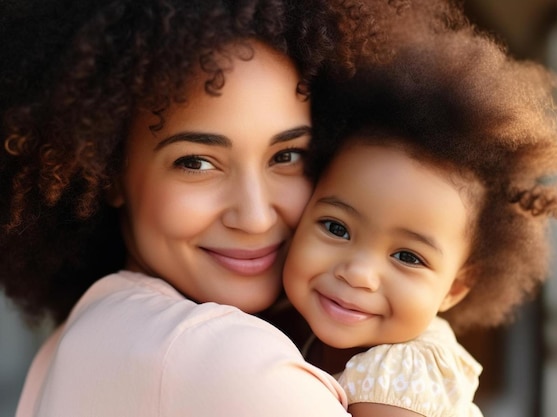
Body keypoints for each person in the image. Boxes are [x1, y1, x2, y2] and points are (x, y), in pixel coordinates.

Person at [0, 0, 406, 415]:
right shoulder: (225, 360)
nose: (255, 217)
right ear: (107, 170)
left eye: (287, 156)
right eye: (195, 163)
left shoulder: (93, 335)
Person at [282, 5, 557, 416]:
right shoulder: (297, 330)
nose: (359, 273)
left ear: (455, 287)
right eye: (336, 227)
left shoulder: (405, 371)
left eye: (407, 257)